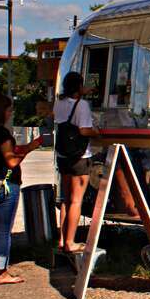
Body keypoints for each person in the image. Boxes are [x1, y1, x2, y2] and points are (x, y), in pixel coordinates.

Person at [0, 93, 42, 284]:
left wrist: (26, 146)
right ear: (2, 111)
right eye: (9, 110)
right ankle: (1, 271)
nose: (10, 113)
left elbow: (1, 153)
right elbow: (11, 161)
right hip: (6, 185)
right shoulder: (2, 133)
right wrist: (28, 150)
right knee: (4, 230)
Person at [53, 72, 99, 253]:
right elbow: (84, 130)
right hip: (79, 157)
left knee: (66, 199)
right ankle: (70, 242)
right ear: (79, 86)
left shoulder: (59, 103)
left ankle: (62, 239)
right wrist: (96, 132)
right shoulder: (82, 105)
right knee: (76, 201)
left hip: (63, 155)